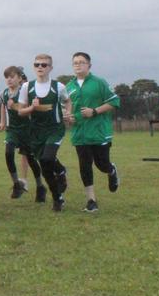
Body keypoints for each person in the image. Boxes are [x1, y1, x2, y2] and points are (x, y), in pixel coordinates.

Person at [66, 52, 121, 213]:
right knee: (85, 165)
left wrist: (94, 111)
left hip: (98, 132)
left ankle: (111, 170)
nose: (78, 65)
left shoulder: (99, 83)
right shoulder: (69, 87)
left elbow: (114, 102)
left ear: (89, 65)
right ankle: (91, 200)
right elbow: (68, 109)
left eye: (82, 62)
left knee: (101, 164)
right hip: (79, 134)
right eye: (75, 62)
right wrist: (69, 117)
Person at [16, 54, 72, 212]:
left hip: (54, 129)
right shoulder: (27, 87)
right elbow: (21, 111)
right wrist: (32, 108)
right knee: (45, 166)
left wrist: (67, 113)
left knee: (47, 158)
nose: (40, 67)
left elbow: (67, 101)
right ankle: (57, 196)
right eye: (37, 64)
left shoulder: (58, 87)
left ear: (50, 68)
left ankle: (59, 175)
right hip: (36, 131)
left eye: (44, 65)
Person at [0, 66, 42, 200]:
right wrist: (2, 122)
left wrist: (15, 106)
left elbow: (33, 108)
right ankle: (17, 184)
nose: (9, 80)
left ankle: (40, 186)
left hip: (27, 130)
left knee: (31, 160)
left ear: (20, 78)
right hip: (13, 130)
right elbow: (3, 106)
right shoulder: (4, 94)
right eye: (7, 77)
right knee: (8, 153)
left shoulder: (25, 92)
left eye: (12, 77)